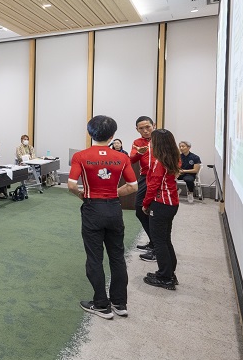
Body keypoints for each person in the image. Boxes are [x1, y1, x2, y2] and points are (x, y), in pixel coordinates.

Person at [68, 115, 138, 320]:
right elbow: (133, 186)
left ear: (89, 133)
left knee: (94, 257)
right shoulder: (122, 157)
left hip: (92, 208)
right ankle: (119, 303)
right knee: (117, 256)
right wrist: (115, 194)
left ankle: (101, 304)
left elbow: (72, 184)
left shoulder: (81, 156)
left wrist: (82, 194)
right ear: (113, 135)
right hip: (114, 209)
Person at [142, 129, 182, 290]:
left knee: (159, 242)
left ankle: (165, 277)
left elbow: (153, 186)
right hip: (171, 203)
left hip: (161, 204)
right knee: (165, 240)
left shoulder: (160, 162)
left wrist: (145, 204)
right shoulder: (173, 158)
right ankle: (169, 273)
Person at [130, 116, 157, 260]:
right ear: (137, 129)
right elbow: (131, 160)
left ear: (154, 125)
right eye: (141, 128)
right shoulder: (137, 142)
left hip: (158, 178)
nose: (145, 131)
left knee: (155, 214)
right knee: (140, 210)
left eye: (148, 127)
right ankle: (153, 243)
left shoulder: (161, 138)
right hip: (144, 178)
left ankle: (157, 247)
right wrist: (138, 153)